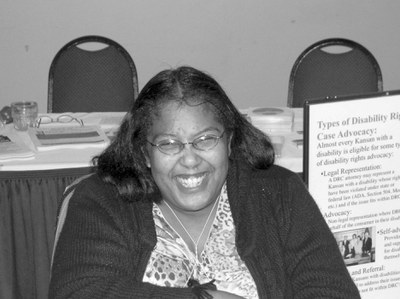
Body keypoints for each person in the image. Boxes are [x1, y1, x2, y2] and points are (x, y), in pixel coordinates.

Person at [49, 66, 360, 298]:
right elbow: (81, 292)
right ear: (144, 152)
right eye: (169, 144)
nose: (190, 159)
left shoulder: (278, 192)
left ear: (229, 141)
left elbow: (331, 291)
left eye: (205, 139)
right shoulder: (103, 200)